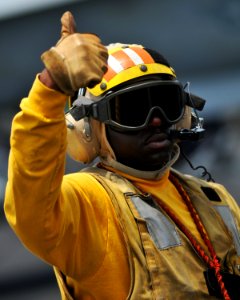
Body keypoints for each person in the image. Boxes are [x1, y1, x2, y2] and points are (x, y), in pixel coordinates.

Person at [4, 11, 240, 300]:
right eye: (133, 110)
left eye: (166, 104)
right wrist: (51, 85)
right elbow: (31, 206)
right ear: (90, 129)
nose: (156, 120)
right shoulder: (88, 201)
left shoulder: (214, 199)